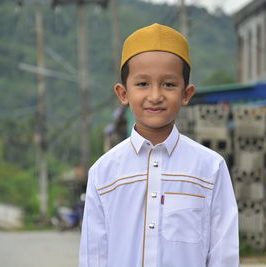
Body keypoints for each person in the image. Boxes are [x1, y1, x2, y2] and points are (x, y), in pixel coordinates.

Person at [79, 23, 239, 267]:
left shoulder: (210, 168)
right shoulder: (104, 173)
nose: (155, 96)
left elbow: (223, 252)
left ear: (187, 93)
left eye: (169, 84)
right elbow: (94, 255)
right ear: (123, 93)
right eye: (142, 84)